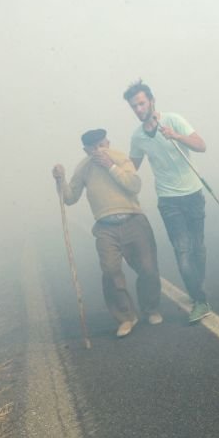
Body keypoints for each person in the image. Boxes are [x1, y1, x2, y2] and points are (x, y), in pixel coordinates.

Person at [53, 128, 162, 338]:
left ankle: (151, 309)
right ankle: (126, 317)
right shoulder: (84, 167)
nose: (98, 150)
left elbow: (135, 185)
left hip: (133, 220)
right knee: (111, 271)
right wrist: (61, 179)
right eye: (92, 148)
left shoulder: (120, 158)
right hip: (105, 227)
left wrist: (110, 166)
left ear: (108, 143)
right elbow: (70, 197)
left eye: (101, 145)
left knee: (148, 268)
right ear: (86, 150)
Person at [123, 81, 212, 324]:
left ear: (151, 100)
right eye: (134, 106)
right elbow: (131, 169)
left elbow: (201, 146)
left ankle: (197, 286)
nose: (139, 109)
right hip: (168, 200)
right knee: (183, 251)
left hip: (193, 194)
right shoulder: (138, 137)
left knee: (198, 248)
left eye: (141, 103)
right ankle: (199, 299)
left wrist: (176, 136)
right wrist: (108, 166)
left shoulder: (173, 120)